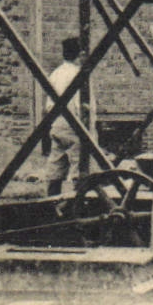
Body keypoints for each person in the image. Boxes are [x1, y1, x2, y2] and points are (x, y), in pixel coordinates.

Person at [45, 37, 84, 198]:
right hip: (73, 124)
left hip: (57, 124)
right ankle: (79, 203)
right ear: (79, 55)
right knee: (79, 165)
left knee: (56, 165)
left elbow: (48, 104)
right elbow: (79, 104)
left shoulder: (56, 73)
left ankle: (51, 203)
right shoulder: (78, 74)